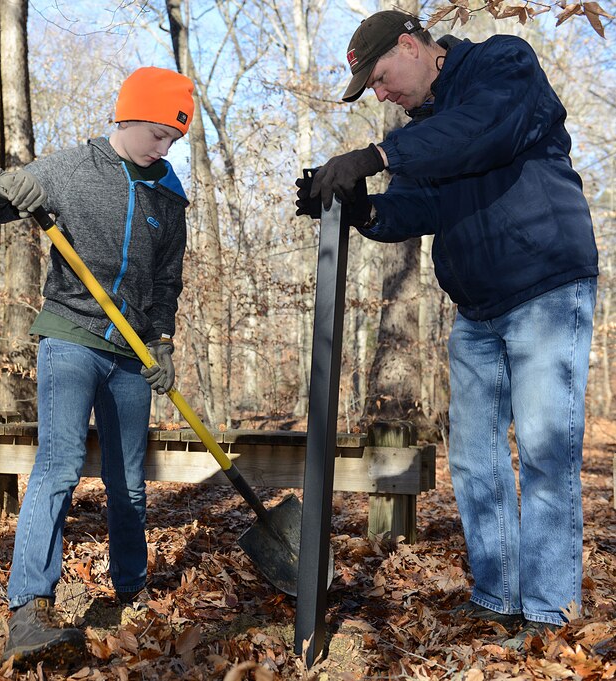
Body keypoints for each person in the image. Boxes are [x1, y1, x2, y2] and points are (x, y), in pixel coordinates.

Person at [296, 11, 598, 650]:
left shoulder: (502, 63)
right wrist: (363, 207)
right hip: (476, 308)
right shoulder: (421, 130)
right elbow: (420, 204)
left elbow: (484, 132)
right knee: (473, 459)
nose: (382, 96)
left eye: (379, 79)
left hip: (545, 285)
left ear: (411, 46)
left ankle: (548, 616)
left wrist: (376, 155)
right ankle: (498, 598)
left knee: (545, 453)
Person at [0, 66, 195, 670]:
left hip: (133, 356)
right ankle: (30, 608)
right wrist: (5, 189)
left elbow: (167, 281)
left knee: (128, 482)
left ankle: (131, 589)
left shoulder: (169, 194)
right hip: (70, 338)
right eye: (158, 134)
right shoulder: (71, 169)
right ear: (128, 116)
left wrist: (163, 342)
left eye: (173, 140)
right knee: (60, 465)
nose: (164, 148)